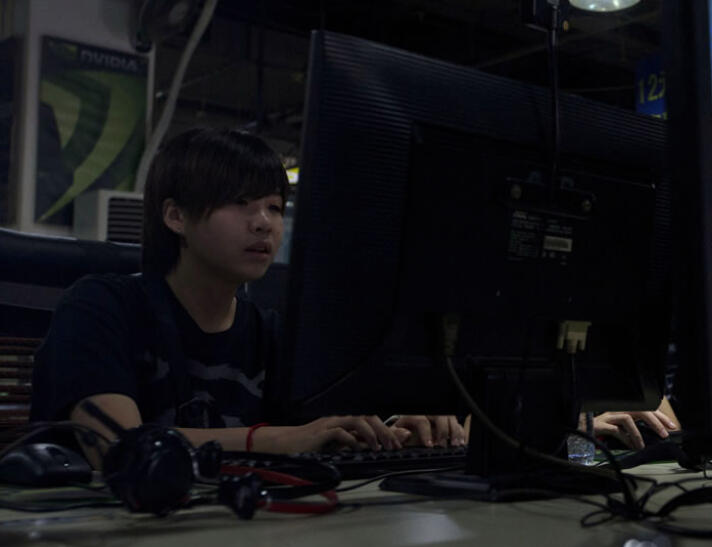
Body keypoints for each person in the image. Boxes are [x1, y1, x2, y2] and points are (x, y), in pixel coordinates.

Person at [31, 128, 463, 455]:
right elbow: (117, 447)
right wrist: (269, 438)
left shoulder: (272, 334)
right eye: (240, 202)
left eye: (274, 207)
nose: (264, 223)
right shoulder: (100, 307)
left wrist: (391, 425)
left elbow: (316, 430)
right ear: (176, 217)